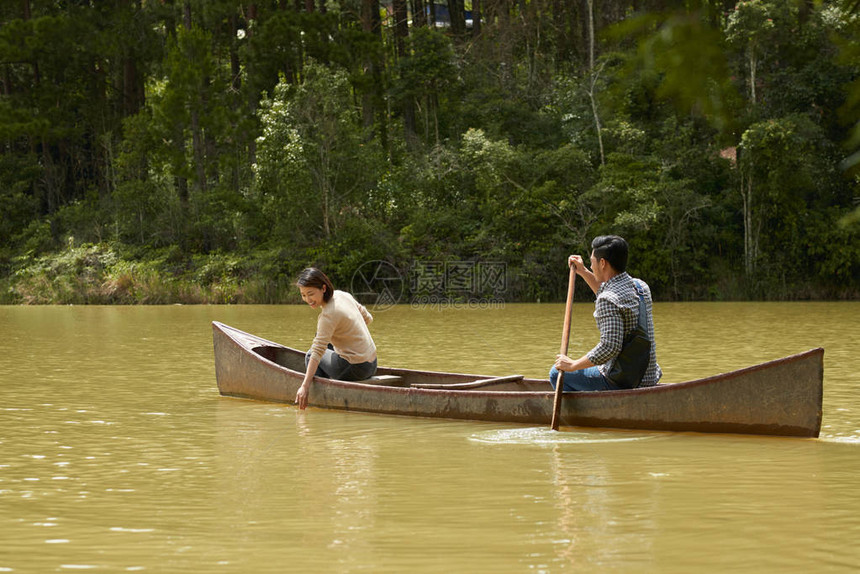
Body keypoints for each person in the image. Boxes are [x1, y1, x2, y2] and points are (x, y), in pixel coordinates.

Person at [551, 235, 662, 391]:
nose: (591, 265)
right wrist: (582, 271)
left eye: (592, 262)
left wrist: (573, 365)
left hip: (623, 380)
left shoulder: (608, 299)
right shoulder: (640, 287)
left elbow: (609, 348)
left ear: (602, 263)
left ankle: (589, 412)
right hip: (648, 376)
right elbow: (609, 293)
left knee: (556, 373)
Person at [295, 267, 377, 409]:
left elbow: (316, 352)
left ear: (323, 288)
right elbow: (368, 318)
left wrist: (304, 385)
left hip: (355, 368)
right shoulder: (342, 295)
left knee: (310, 355)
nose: (308, 300)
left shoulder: (328, 316)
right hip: (372, 364)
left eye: (311, 294)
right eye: (303, 295)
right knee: (324, 341)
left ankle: (323, 398)